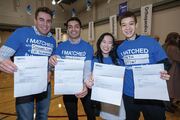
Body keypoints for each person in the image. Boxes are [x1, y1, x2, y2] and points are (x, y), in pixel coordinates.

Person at [0, 7, 56, 120]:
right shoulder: (21, 33)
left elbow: (51, 62)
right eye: (41, 19)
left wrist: (50, 71)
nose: (45, 24)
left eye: (48, 21)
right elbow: (2, 54)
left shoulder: (52, 40)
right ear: (35, 21)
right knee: (25, 118)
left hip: (45, 84)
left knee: (42, 116)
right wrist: (2, 61)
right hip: (24, 84)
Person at [117, 11, 170, 120]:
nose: (127, 28)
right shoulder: (120, 48)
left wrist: (164, 72)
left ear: (136, 25)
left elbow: (165, 62)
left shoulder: (150, 42)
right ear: (120, 28)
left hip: (151, 93)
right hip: (129, 94)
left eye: (131, 24)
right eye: (124, 25)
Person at [49, 17, 96, 120]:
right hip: (67, 88)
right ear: (67, 30)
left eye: (76, 27)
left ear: (80, 29)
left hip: (85, 88)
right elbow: (55, 68)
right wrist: (52, 62)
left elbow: (87, 69)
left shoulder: (88, 47)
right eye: (70, 27)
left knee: (91, 116)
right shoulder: (60, 47)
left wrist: (85, 85)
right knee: (72, 117)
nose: (73, 29)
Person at [88, 32, 126, 120]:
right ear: (99, 43)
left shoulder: (119, 61)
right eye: (104, 42)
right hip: (103, 101)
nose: (106, 45)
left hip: (118, 100)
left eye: (110, 43)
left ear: (113, 46)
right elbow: (90, 78)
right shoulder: (94, 61)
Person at [164, 32, 180, 110]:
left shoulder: (167, 46)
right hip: (173, 69)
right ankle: (168, 106)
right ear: (174, 38)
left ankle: (170, 104)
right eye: (177, 38)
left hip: (171, 68)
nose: (179, 39)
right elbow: (178, 58)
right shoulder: (173, 47)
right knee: (171, 88)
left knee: (171, 88)